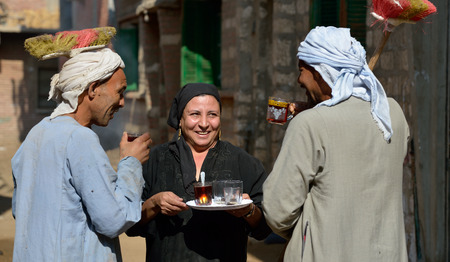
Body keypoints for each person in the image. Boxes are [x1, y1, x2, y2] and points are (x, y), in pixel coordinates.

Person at [262, 26, 410, 261]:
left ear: (320, 72)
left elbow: (278, 213)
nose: (299, 80)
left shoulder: (309, 125)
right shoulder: (392, 114)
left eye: (302, 70)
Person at [11, 47, 152, 261]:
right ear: (93, 88)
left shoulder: (37, 133)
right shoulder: (79, 138)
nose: (122, 102)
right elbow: (113, 220)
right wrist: (131, 162)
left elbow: (21, 209)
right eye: (119, 92)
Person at [126, 83, 272, 261]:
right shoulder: (154, 160)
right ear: (180, 119)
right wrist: (154, 203)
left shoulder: (243, 163)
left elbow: (265, 227)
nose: (204, 124)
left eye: (212, 115)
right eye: (195, 114)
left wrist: (248, 211)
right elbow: (128, 223)